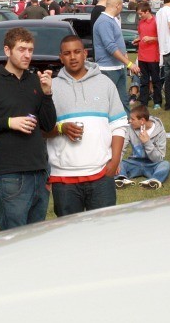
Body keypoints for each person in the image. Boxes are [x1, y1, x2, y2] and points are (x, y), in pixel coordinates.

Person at [0, 27, 56, 231]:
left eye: (30, 50)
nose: (27, 55)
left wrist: (47, 94)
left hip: (39, 170)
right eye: (21, 49)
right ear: (7, 50)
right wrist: (9, 123)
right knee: (13, 237)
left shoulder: (35, 80)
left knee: (36, 236)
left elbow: (48, 124)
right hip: (10, 174)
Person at [45, 35, 127, 216]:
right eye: (67, 53)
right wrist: (61, 128)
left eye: (77, 52)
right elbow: (41, 130)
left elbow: (119, 124)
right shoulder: (51, 88)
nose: (73, 57)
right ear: (61, 58)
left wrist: (115, 160)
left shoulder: (105, 83)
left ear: (85, 53)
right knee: (68, 231)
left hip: (101, 175)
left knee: (103, 229)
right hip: (63, 178)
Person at [93, 0, 140, 112]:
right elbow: (110, 47)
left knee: (123, 100)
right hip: (108, 68)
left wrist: (125, 61)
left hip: (118, 67)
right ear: (117, 6)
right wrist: (129, 63)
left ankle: (127, 120)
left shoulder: (112, 20)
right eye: (121, 6)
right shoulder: (104, 22)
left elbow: (119, 43)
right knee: (107, 101)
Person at [115, 104, 170, 189]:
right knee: (117, 162)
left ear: (142, 120)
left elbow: (159, 159)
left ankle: (153, 181)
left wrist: (147, 143)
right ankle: (121, 179)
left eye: (133, 119)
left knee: (166, 164)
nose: (129, 121)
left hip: (152, 164)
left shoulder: (160, 131)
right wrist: (116, 163)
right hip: (134, 163)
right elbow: (121, 148)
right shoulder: (130, 128)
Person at [133, 1, 161, 108]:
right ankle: (143, 102)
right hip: (142, 55)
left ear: (147, 11)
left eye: (141, 14)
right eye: (138, 14)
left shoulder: (156, 21)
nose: (140, 16)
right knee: (143, 80)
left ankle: (157, 102)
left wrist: (151, 38)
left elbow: (161, 38)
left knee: (155, 80)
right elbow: (141, 35)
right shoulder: (141, 23)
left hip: (153, 55)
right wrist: (138, 40)